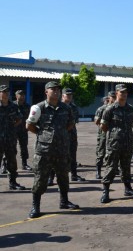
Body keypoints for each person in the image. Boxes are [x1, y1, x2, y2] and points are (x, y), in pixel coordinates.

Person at [27, 81, 79, 218]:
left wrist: (59, 135)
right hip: (44, 151)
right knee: (40, 179)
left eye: (58, 89)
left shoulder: (66, 108)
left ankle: (64, 201)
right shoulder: (39, 108)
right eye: (53, 89)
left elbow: (70, 124)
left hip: (62, 150)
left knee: (63, 178)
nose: (56, 91)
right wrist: (43, 134)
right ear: (46, 92)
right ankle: (35, 206)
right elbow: (29, 126)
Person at [99, 84, 133, 203]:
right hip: (114, 144)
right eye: (121, 92)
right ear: (117, 93)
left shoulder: (130, 109)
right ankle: (106, 191)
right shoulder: (110, 109)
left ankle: (128, 189)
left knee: (126, 167)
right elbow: (103, 126)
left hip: (127, 143)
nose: (124, 94)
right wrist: (115, 135)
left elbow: (131, 124)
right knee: (111, 167)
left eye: (125, 92)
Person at [0, 85, 25, 190]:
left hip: (10, 139)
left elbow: (19, 119)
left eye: (7, 92)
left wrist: (11, 127)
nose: (6, 93)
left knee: (12, 162)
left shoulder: (13, 106)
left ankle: (13, 183)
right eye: (3, 92)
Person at [61, 88, 85, 182]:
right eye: (67, 95)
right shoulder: (58, 106)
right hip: (60, 135)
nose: (70, 96)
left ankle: (74, 175)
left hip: (72, 135)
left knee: (72, 155)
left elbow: (75, 121)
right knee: (57, 156)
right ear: (63, 96)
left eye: (71, 95)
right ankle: (51, 177)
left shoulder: (73, 107)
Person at [94, 92, 115, 179]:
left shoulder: (116, 108)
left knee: (113, 151)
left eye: (114, 96)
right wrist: (103, 127)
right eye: (112, 97)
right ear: (109, 98)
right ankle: (98, 170)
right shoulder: (102, 109)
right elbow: (96, 121)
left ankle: (113, 169)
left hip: (113, 134)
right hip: (103, 133)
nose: (113, 98)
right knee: (101, 151)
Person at [14, 90, 32, 171]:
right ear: (16, 96)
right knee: (10, 148)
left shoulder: (27, 106)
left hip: (23, 130)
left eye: (23, 95)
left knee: (24, 147)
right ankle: (5, 165)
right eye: (20, 95)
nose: (22, 96)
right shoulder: (12, 105)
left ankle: (24, 164)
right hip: (13, 130)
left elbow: (30, 118)